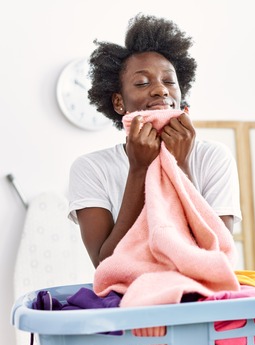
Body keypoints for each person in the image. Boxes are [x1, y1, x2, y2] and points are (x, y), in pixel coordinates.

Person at [68, 14, 242, 268]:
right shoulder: (91, 169)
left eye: (169, 81)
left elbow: (216, 253)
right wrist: (139, 169)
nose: (161, 90)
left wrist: (179, 166)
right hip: (130, 302)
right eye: (142, 82)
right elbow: (106, 264)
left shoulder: (214, 157)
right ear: (118, 102)